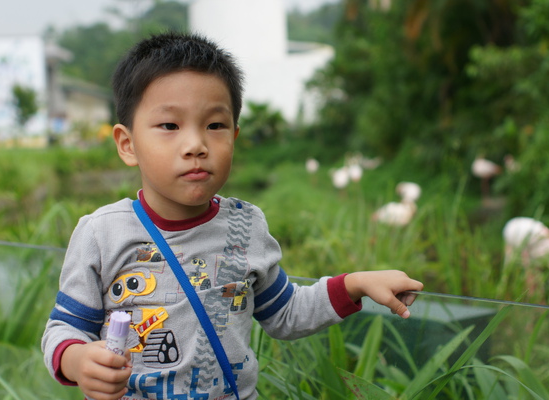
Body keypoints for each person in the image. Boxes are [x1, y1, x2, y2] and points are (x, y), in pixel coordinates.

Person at [41, 32, 424, 400]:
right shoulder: (102, 233)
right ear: (128, 144)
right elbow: (64, 328)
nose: (196, 145)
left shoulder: (247, 226)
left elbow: (286, 312)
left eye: (215, 125)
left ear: (234, 137)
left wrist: (354, 284)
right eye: (169, 126)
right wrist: (76, 360)